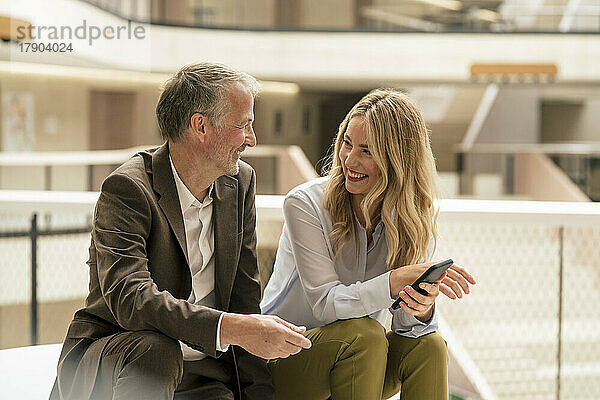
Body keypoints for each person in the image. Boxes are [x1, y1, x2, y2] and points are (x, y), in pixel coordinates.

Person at [50, 63, 311, 400]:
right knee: (157, 350)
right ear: (200, 126)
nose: (251, 139)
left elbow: (244, 298)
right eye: (243, 125)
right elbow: (131, 299)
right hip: (128, 361)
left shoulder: (240, 183)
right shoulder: (128, 189)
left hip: (206, 371)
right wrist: (228, 327)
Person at [260, 88, 476, 400]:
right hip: (282, 363)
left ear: (398, 160)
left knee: (430, 345)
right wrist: (394, 281)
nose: (349, 159)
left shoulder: (408, 216)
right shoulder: (305, 203)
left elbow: (405, 328)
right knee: (367, 335)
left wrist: (421, 307)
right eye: (347, 144)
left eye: (367, 151)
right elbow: (324, 305)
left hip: (362, 360)